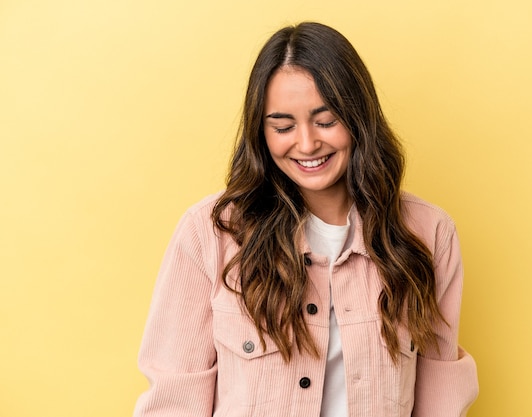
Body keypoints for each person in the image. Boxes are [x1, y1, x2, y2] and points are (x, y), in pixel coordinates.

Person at [133, 21, 478, 417]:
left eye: (326, 121)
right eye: (283, 126)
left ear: (358, 118)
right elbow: (174, 402)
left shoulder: (428, 234)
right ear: (261, 132)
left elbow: (440, 401)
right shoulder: (210, 234)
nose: (307, 143)